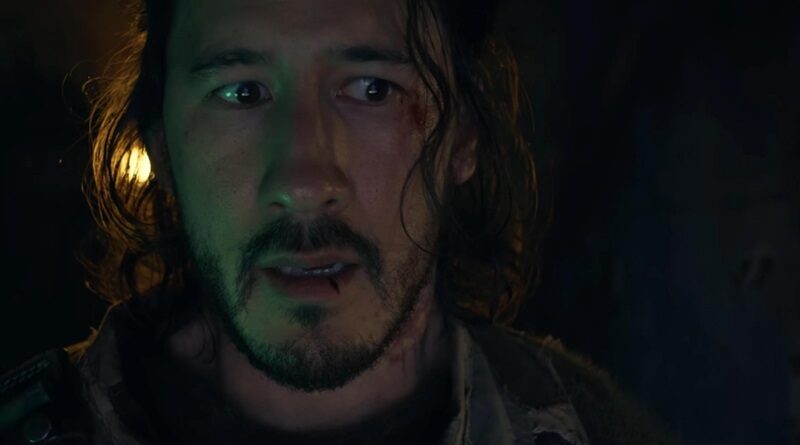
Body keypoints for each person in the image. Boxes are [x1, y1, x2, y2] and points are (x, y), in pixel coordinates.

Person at [0, 0, 677, 444]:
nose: (303, 183)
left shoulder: (595, 430)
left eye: (373, 90)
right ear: (162, 143)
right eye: (242, 92)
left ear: (464, 137)